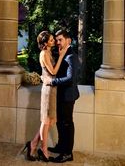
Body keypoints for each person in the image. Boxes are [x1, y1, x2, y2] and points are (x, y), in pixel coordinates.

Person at [22, 30, 69, 162]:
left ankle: (32, 144)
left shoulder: (48, 52)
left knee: (47, 121)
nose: (54, 41)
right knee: (46, 121)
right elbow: (53, 71)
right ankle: (44, 149)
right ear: (45, 43)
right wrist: (61, 56)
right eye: (51, 40)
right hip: (48, 90)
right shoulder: (43, 54)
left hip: (52, 89)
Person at [43, 29, 80, 163]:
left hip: (68, 96)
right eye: (57, 40)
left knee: (67, 124)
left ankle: (67, 153)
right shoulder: (63, 53)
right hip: (61, 95)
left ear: (68, 40)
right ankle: (61, 147)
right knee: (60, 123)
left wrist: (52, 81)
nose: (58, 42)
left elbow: (70, 78)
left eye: (60, 40)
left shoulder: (71, 56)